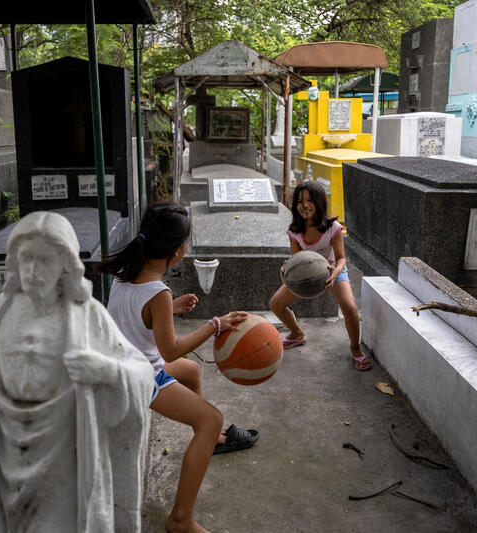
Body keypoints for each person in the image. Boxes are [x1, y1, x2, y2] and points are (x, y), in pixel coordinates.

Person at [0, 211, 154, 532]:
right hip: (0, 450)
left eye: (45, 260)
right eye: (26, 259)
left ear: (65, 265)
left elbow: (140, 371)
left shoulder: (87, 316)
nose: (33, 271)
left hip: (63, 453)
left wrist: (107, 370)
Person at [97, 201, 258, 533]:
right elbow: (170, 350)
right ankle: (181, 519)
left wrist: (170, 309)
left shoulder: (126, 273)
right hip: (142, 378)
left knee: (191, 371)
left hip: (123, 367)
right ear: (176, 250)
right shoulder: (157, 291)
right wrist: (215, 324)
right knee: (211, 418)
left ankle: (208, 441)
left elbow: (134, 317)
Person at [269, 179, 373, 371]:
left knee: (350, 309)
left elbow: (341, 258)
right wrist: (287, 267)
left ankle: (355, 348)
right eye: (300, 201)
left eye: (310, 200)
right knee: (275, 303)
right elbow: (297, 259)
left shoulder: (333, 228)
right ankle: (296, 333)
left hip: (334, 272)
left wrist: (335, 273)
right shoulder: (295, 232)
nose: (305, 205)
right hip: (307, 276)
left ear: (319, 202)